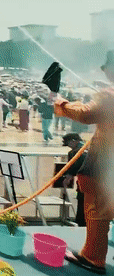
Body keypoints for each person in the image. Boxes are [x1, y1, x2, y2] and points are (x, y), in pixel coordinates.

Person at [55, 51, 114, 274]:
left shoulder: (108, 95)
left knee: (97, 211)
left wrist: (62, 104)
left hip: (106, 164)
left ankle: (93, 258)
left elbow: (86, 115)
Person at [61, 133, 87, 227]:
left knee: (83, 204)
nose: (69, 146)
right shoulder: (89, 148)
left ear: (73, 141)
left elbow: (73, 167)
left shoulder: (77, 152)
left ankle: (82, 224)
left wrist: (68, 178)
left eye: (68, 143)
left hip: (87, 183)